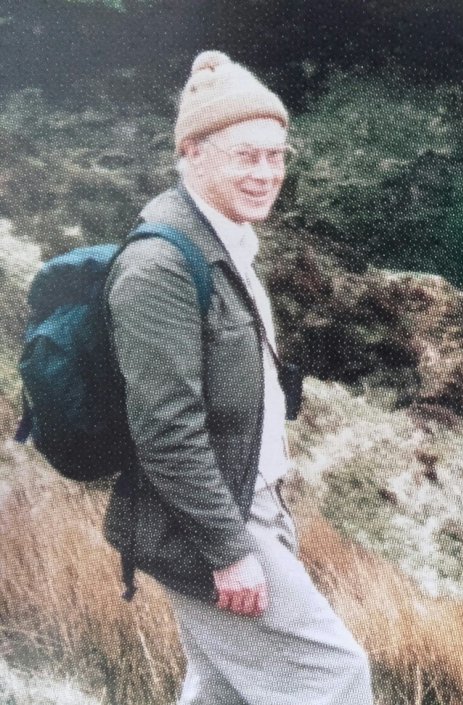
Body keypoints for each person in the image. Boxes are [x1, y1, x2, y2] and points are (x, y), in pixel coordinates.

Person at [102, 50, 374, 705]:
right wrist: (227, 548)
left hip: (250, 498)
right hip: (212, 516)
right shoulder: (161, 265)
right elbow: (165, 430)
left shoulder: (229, 245)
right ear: (192, 152)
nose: (265, 173)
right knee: (334, 676)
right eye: (245, 155)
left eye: (276, 155)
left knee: (222, 689)